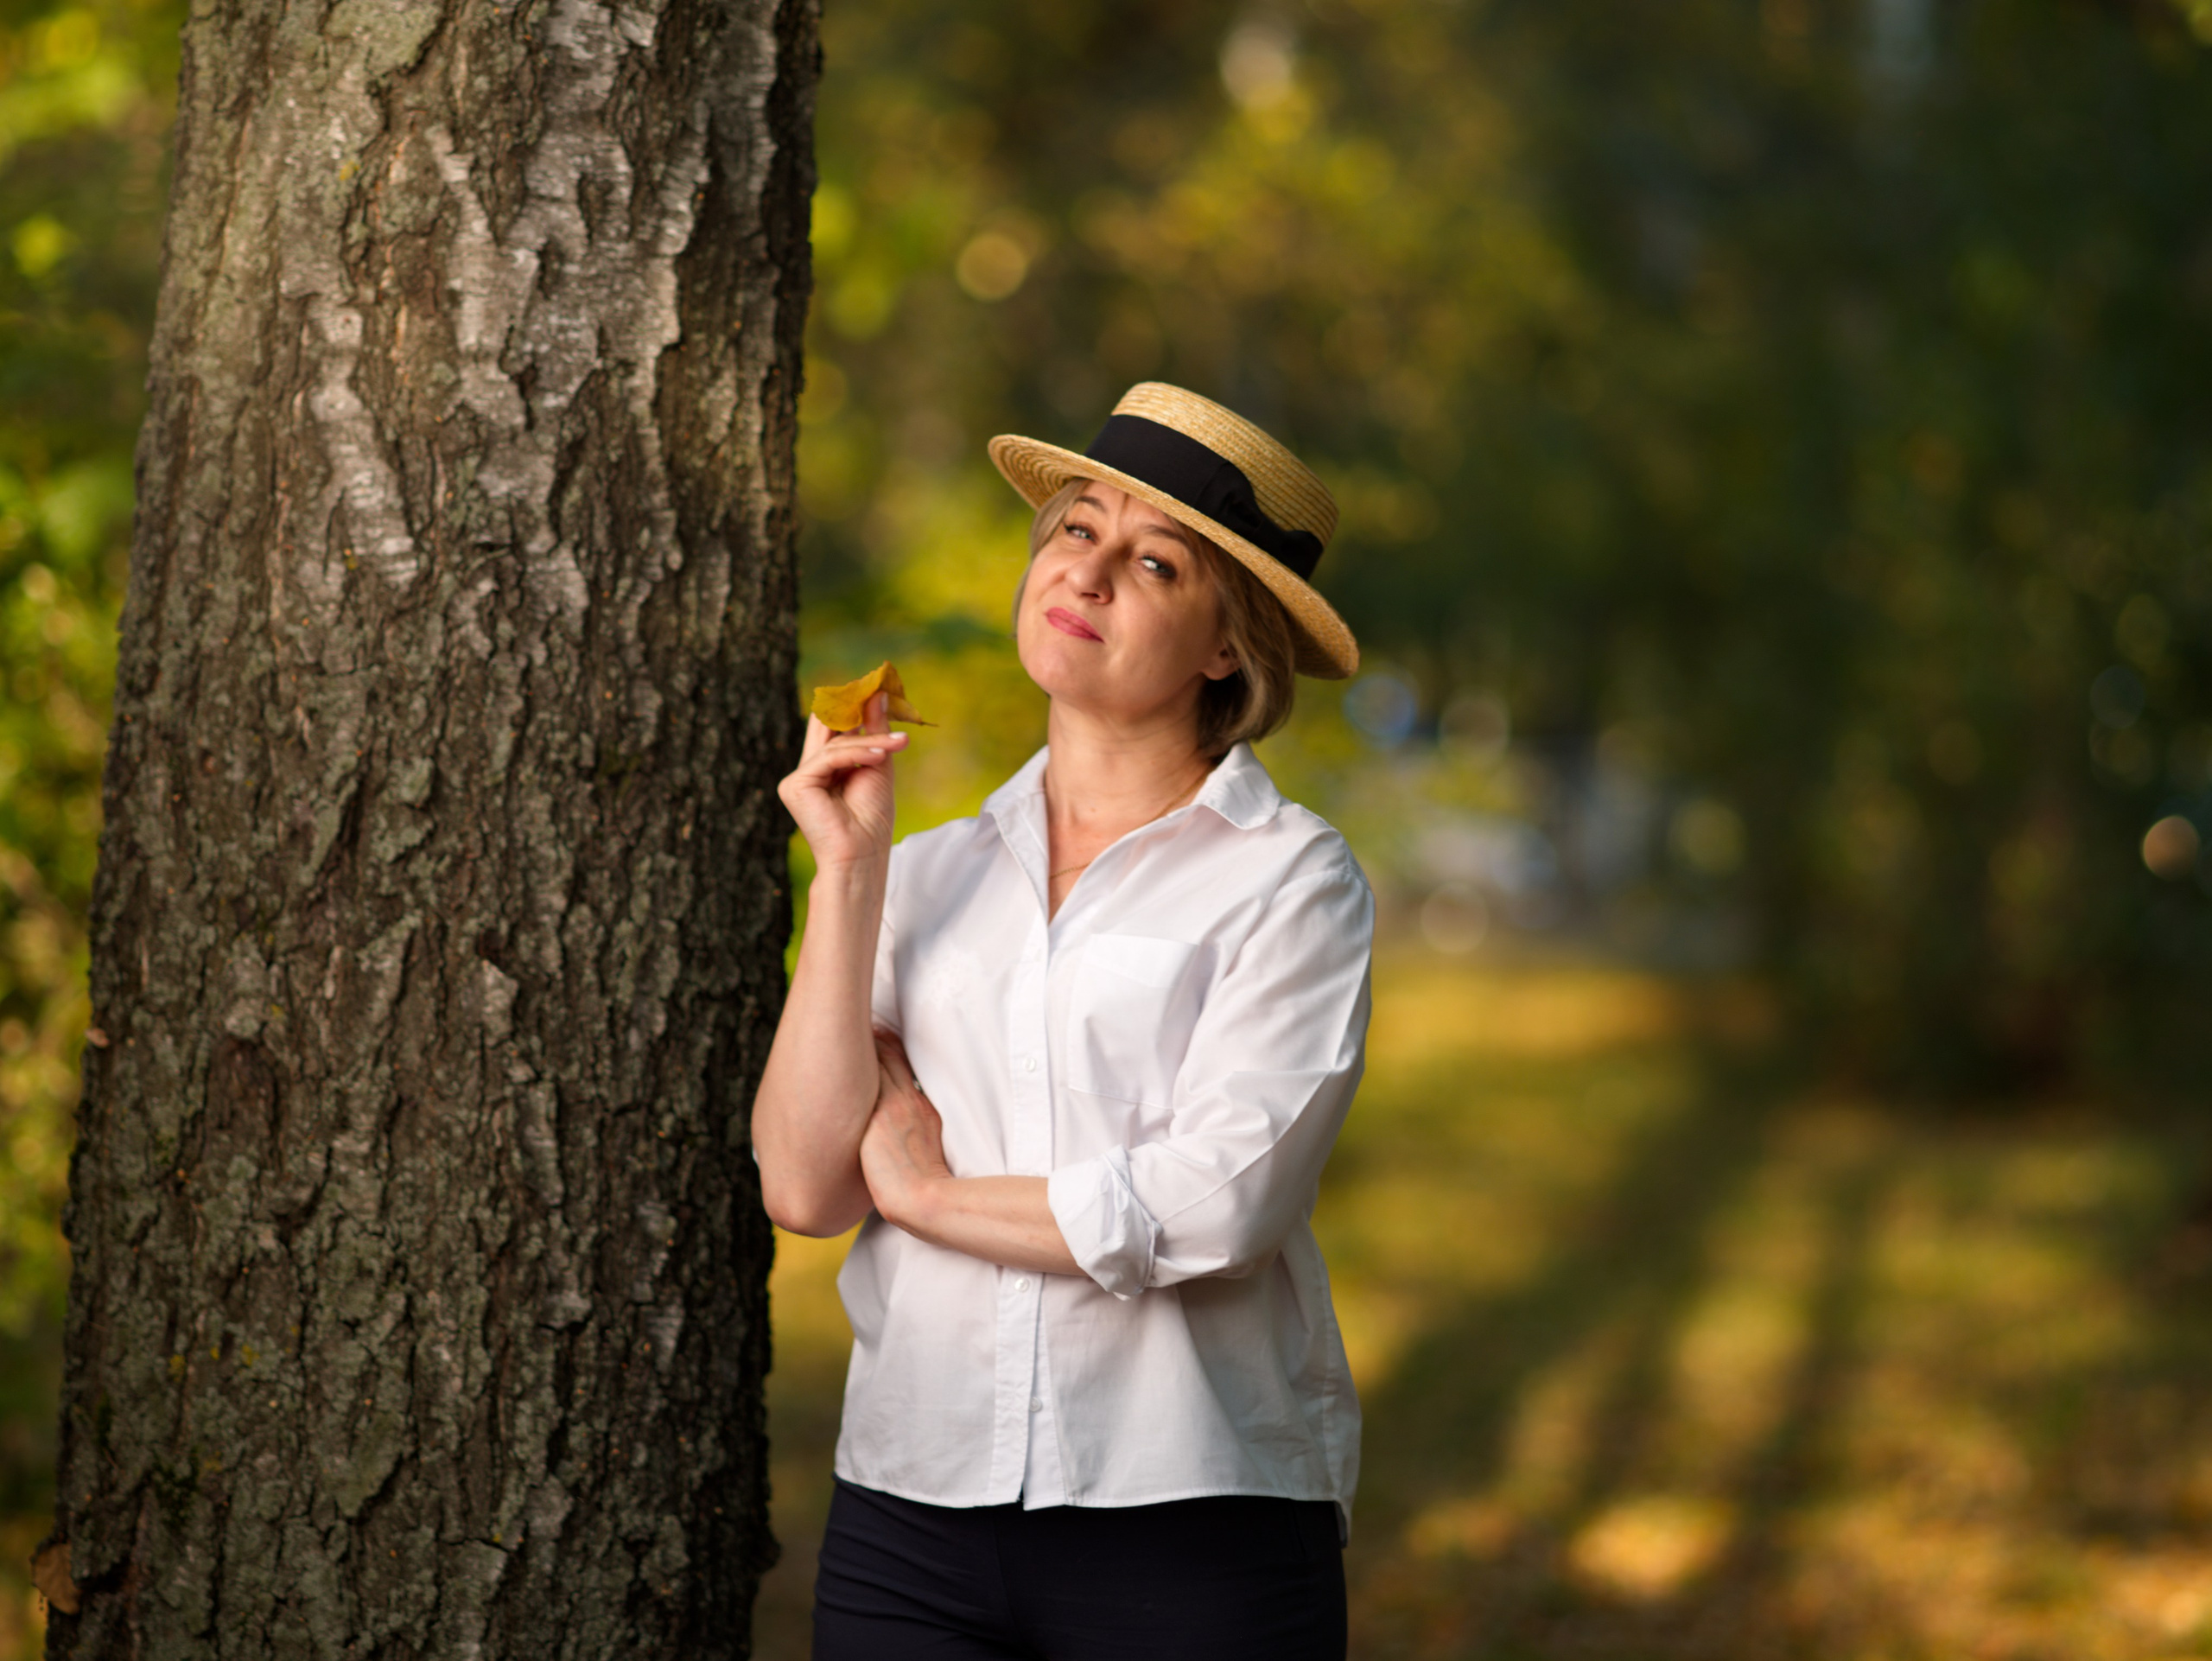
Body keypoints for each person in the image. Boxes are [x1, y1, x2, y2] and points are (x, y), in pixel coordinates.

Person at [754, 382, 1373, 1660]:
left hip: (1190, 1521)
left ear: (1225, 648)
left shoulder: (1292, 880)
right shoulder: (921, 873)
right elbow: (807, 1185)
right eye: (1077, 528)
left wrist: (925, 1195)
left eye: (1154, 563)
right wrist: (849, 875)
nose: (1086, 572)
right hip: (908, 1511)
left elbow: (1217, 1207)